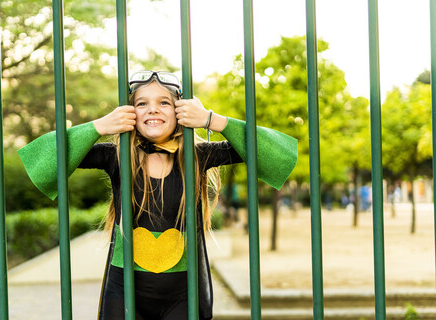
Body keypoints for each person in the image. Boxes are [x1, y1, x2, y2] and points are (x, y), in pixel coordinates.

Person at [17, 70, 298, 320]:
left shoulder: (198, 155)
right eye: (142, 104)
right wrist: (100, 126)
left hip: (184, 296)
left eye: (164, 102)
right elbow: (42, 166)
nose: (153, 110)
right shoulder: (116, 156)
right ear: (130, 112)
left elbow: (279, 157)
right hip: (123, 294)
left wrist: (211, 119)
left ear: (179, 110)